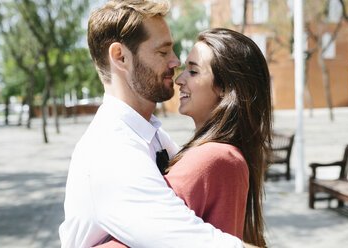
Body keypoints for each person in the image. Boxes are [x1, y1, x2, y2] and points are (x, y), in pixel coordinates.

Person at [59, 1, 246, 247]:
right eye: (163, 51)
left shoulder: (153, 136)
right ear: (121, 57)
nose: (175, 62)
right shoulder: (110, 151)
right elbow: (193, 241)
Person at [96, 28, 272, 248]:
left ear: (225, 89)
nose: (179, 79)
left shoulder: (212, 158)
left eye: (194, 71)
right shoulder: (225, 155)